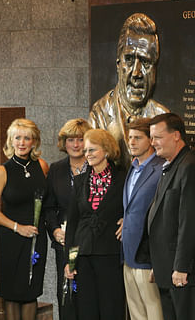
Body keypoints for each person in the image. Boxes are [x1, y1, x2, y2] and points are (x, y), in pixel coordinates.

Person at [136, 113, 195, 320]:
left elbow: (191, 222)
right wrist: (160, 264)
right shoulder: (172, 165)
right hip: (169, 271)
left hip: (188, 274)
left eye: (157, 137)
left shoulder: (191, 167)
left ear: (176, 136)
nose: (152, 143)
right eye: (151, 137)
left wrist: (181, 267)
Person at [0, 118, 49, 320]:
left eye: (26, 138)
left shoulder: (43, 166)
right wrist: (17, 227)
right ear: (10, 141)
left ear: (34, 142)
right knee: (12, 295)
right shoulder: (2, 171)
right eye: (17, 138)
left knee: (30, 293)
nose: (22, 143)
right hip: (11, 239)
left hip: (36, 238)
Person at [89, 13, 169, 170]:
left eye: (145, 62)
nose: (136, 73)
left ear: (155, 69)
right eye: (130, 60)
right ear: (118, 64)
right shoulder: (100, 114)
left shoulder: (162, 117)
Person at [64, 129, 125, 320]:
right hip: (83, 254)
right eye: (86, 150)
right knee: (86, 309)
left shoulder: (123, 178)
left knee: (111, 308)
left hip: (110, 253)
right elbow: (73, 223)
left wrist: (128, 220)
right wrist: (70, 260)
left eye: (92, 150)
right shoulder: (80, 180)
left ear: (106, 151)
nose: (87, 154)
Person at [43, 119, 91, 319]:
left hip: (90, 241)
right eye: (71, 140)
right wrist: (54, 231)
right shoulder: (56, 169)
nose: (76, 145)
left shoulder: (96, 166)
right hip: (63, 241)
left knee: (87, 293)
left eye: (80, 139)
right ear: (64, 143)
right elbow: (48, 206)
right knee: (66, 294)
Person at [122, 118, 165, 320]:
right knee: (136, 312)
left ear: (150, 140)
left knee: (153, 312)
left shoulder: (161, 169)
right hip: (128, 254)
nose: (131, 142)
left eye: (138, 138)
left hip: (147, 255)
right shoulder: (133, 167)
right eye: (130, 137)